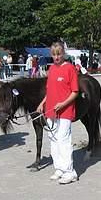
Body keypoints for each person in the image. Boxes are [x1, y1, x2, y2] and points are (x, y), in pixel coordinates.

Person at [36, 42, 79, 184]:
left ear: (63, 53)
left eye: (59, 54)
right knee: (53, 139)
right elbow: (49, 91)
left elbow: (74, 92)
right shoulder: (52, 69)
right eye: (54, 54)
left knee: (63, 139)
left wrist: (63, 104)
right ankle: (59, 168)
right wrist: (42, 104)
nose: (56, 57)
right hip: (50, 110)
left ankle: (69, 171)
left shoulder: (70, 69)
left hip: (65, 111)